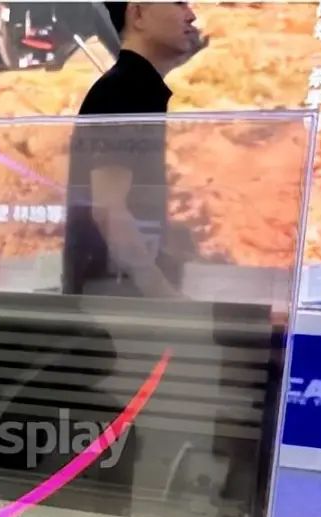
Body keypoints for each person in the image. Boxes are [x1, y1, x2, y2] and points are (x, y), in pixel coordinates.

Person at [63, 1, 206, 297]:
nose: (191, 15)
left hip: (116, 300)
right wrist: (164, 297)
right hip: (113, 304)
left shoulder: (138, 88)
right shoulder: (126, 91)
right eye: (178, 3)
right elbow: (108, 209)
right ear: (138, 14)